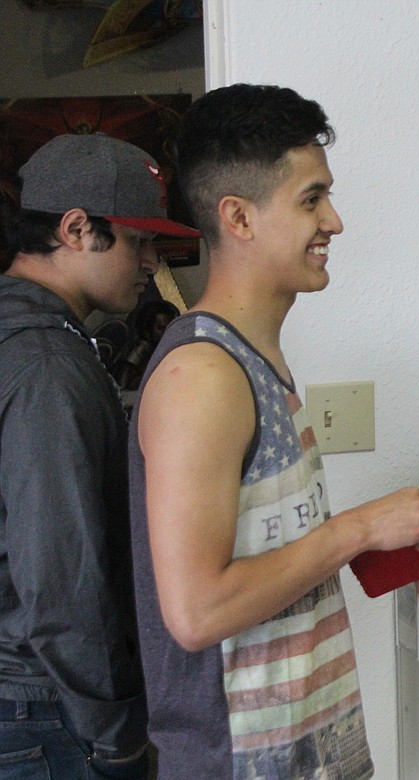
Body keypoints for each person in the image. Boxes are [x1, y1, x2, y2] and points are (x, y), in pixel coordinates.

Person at [128, 84, 419, 779]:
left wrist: (392, 544)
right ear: (239, 218)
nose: (333, 221)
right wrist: (359, 529)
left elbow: (271, 557)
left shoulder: (255, 360)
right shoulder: (204, 377)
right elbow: (196, 610)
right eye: (311, 199)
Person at [0, 132, 200, 777]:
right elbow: (62, 574)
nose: (151, 262)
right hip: (43, 704)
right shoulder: (46, 366)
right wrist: (115, 736)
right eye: (139, 241)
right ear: (77, 228)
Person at [111, 298, 180, 392]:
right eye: (161, 328)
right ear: (147, 329)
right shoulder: (139, 350)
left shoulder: (163, 350)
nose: (168, 332)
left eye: (171, 327)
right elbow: (120, 388)